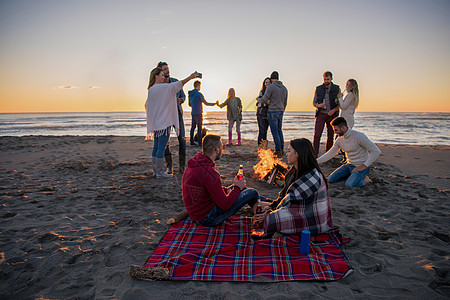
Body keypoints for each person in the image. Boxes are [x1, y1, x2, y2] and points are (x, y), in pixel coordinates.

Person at [255, 138, 333, 239]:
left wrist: (271, 212)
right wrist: (272, 206)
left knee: (271, 219)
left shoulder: (312, 176)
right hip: (298, 208)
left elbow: (289, 200)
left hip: (312, 216)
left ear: (297, 154)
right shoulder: (293, 172)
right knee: (262, 208)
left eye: (289, 151)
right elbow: (284, 195)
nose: (287, 154)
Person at [182, 134, 260, 227]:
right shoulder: (209, 173)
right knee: (252, 192)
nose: (222, 150)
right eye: (222, 147)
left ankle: (260, 206)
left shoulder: (194, 164)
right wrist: (237, 187)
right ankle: (260, 211)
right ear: (217, 150)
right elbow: (225, 205)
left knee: (243, 189)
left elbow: (205, 188)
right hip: (207, 218)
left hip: (196, 214)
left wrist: (224, 189)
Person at [145, 68, 199, 179]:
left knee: (156, 147)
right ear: (156, 76)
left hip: (156, 124)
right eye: (161, 75)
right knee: (161, 147)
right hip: (164, 123)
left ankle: (155, 171)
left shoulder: (151, 89)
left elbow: (148, 106)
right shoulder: (162, 88)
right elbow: (177, 85)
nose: (164, 77)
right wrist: (191, 77)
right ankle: (160, 173)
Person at [317, 117, 381, 187]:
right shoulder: (339, 140)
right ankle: (352, 177)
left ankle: (366, 180)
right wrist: (315, 162)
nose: (334, 132)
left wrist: (364, 165)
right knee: (331, 180)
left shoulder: (358, 136)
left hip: (361, 166)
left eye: (336, 130)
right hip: (348, 165)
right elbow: (330, 154)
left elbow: (376, 151)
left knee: (349, 185)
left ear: (343, 128)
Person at [157, 61, 187, 173]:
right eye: (164, 69)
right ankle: (169, 166)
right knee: (165, 142)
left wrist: (181, 100)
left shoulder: (175, 81)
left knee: (182, 140)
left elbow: (183, 96)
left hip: (178, 115)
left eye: (167, 68)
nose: (167, 70)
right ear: (160, 71)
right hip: (165, 116)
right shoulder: (159, 85)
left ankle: (182, 166)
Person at [258, 71, 288, 156]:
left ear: (271, 78)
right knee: (279, 130)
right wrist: (282, 109)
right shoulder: (284, 88)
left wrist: (258, 99)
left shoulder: (271, 87)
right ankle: (282, 148)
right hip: (281, 111)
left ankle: (278, 149)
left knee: (274, 131)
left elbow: (264, 99)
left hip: (272, 111)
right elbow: (285, 102)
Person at [313, 71, 341, 157]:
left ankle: (328, 155)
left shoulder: (337, 88)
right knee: (317, 135)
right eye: (325, 79)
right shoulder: (318, 88)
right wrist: (319, 105)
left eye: (328, 79)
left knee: (330, 135)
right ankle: (315, 154)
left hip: (332, 115)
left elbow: (340, 103)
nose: (326, 81)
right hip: (321, 114)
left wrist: (334, 110)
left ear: (331, 79)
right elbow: (314, 103)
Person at [188, 81, 218, 147]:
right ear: (198, 86)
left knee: (193, 127)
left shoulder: (190, 94)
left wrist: (194, 104)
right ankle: (199, 143)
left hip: (193, 113)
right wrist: (214, 104)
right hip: (198, 113)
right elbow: (206, 103)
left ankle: (191, 141)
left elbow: (189, 104)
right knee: (199, 128)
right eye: (200, 86)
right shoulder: (199, 94)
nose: (200, 87)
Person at [256, 77, 271, 148]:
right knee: (261, 131)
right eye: (266, 82)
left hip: (268, 114)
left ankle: (264, 147)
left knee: (265, 131)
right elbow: (258, 99)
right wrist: (263, 101)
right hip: (261, 113)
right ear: (264, 84)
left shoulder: (272, 91)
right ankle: (260, 147)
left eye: (269, 82)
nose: (267, 84)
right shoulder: (262, 91)